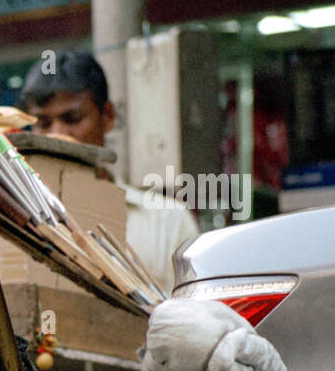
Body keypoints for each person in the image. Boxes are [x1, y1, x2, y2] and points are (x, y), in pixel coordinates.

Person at [20, 51, 200, 294]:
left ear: (108, 116)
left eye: (72, 119)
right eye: (44, 123)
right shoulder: (18, 217)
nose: (57, 135)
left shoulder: (167, 222)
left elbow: (197, 319)